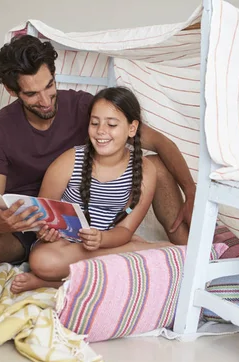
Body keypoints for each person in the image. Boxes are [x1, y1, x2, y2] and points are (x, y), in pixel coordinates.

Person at [0, 34, 195, 326]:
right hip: (27, 224)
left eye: (49, 86)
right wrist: (1, 223)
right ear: (11, 90)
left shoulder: (85, 108)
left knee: (155, 165)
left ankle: (189, 255)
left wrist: (192, 190)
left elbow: (161, 144)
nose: (45, 101)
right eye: (32, 94)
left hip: (78, 220)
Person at [11, 87, 173, 294]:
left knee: (164, 256)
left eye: (112, 124)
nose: (101, 131)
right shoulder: (70, 161)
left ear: (132, 128)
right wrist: (45, 233)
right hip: (63, 247)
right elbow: (43, 214)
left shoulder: (145, 170)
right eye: (94, 123)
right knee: (42, 262)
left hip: (109, 241)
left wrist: (102, 240)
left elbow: (125, 229)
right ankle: (125, 256)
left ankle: (56, 282)